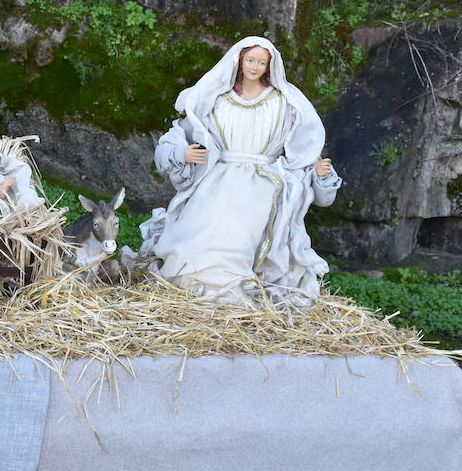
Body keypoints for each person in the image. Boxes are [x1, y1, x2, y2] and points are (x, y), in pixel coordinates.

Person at [135, 36, 341, 304]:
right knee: (196, 235)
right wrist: (181, 153)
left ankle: (230, 293)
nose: (255, 67)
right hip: (217, 179)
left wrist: (321, 175)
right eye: (251, 60)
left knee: (237, 234)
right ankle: (191, 286)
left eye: (261, 62)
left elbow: (303, 155)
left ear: (269, 66)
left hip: (262, 183)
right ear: (240, 60)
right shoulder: (216, 98)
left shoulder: (284, 103)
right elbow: (176, 139)